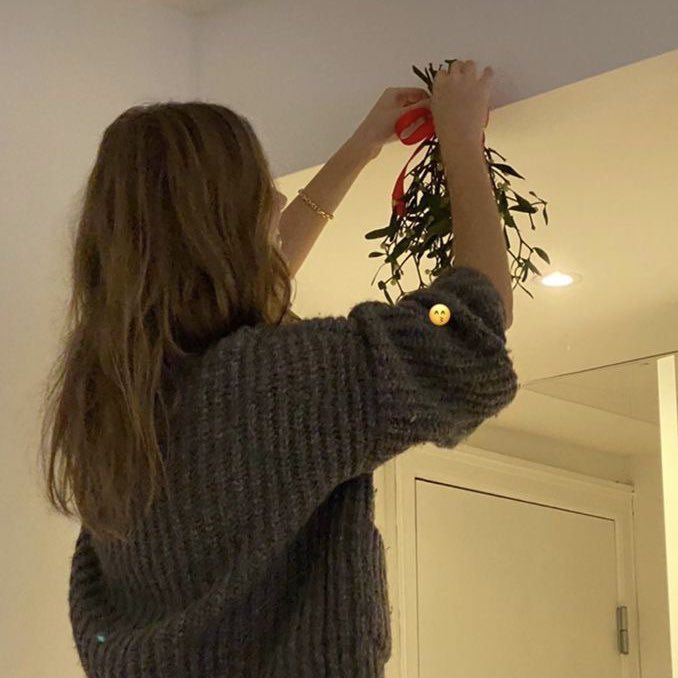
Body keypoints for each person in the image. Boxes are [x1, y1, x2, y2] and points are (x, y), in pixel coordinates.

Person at [39, 59, 518, 677]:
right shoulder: (273, 385)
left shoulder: (112, 402)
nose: (278, 195)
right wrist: (460, 137)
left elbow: (242, 317)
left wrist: (358, 149)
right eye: (257, 183)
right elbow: (470, 327)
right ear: (223, 218)